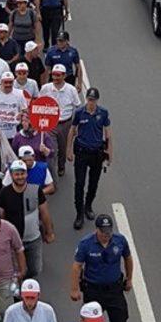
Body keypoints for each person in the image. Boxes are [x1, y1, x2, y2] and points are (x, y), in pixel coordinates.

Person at [71, 213, 133, 322]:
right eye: (103, 232)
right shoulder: (86, 244)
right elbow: (77, 266)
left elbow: (128, 258)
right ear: (97, 229)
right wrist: (74, 289)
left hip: (114, 289)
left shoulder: (120, 240)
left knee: (121, 319)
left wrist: (129, 278)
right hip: (93, 290)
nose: (106, 235)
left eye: (109, 232)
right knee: (89, 321)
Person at [0, 159, 55, 277]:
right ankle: (20, 290)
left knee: (35, 269)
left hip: (33, 238)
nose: (20, 177)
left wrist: (49, 232)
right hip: (13, 241)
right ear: (12, 175)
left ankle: (28, 281)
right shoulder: (4, 192)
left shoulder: (36, 190)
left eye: (22, 173)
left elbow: (44, 213)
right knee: (16, 272)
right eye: (17, 174)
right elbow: (0, 216)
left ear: (26, 174)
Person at [66, 87, 112, 230]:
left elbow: (108, 134)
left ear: (97, 100)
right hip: (81, 152)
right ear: (86, 99)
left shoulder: (103, 113)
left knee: (93, 183)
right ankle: (79, 214)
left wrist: (109, 154)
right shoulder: (79, 112)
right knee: (79, 184)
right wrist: (68, 150)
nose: (91, 102)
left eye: (93, 100)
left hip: (96, 153)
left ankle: (88, 206)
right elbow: (72, 131)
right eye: (89, 99)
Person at [40, 65, 82, 178]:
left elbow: (78, 107)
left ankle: (61, 166)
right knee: (51, 149)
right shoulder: (45, 88)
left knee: (63, 149)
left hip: (66, 124)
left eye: (58, 75)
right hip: (50, 124)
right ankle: (51, 174)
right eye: (54, 75)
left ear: (64, 76)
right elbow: (39, 105)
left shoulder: (71, 90)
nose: (55, 77)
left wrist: (76, 126)